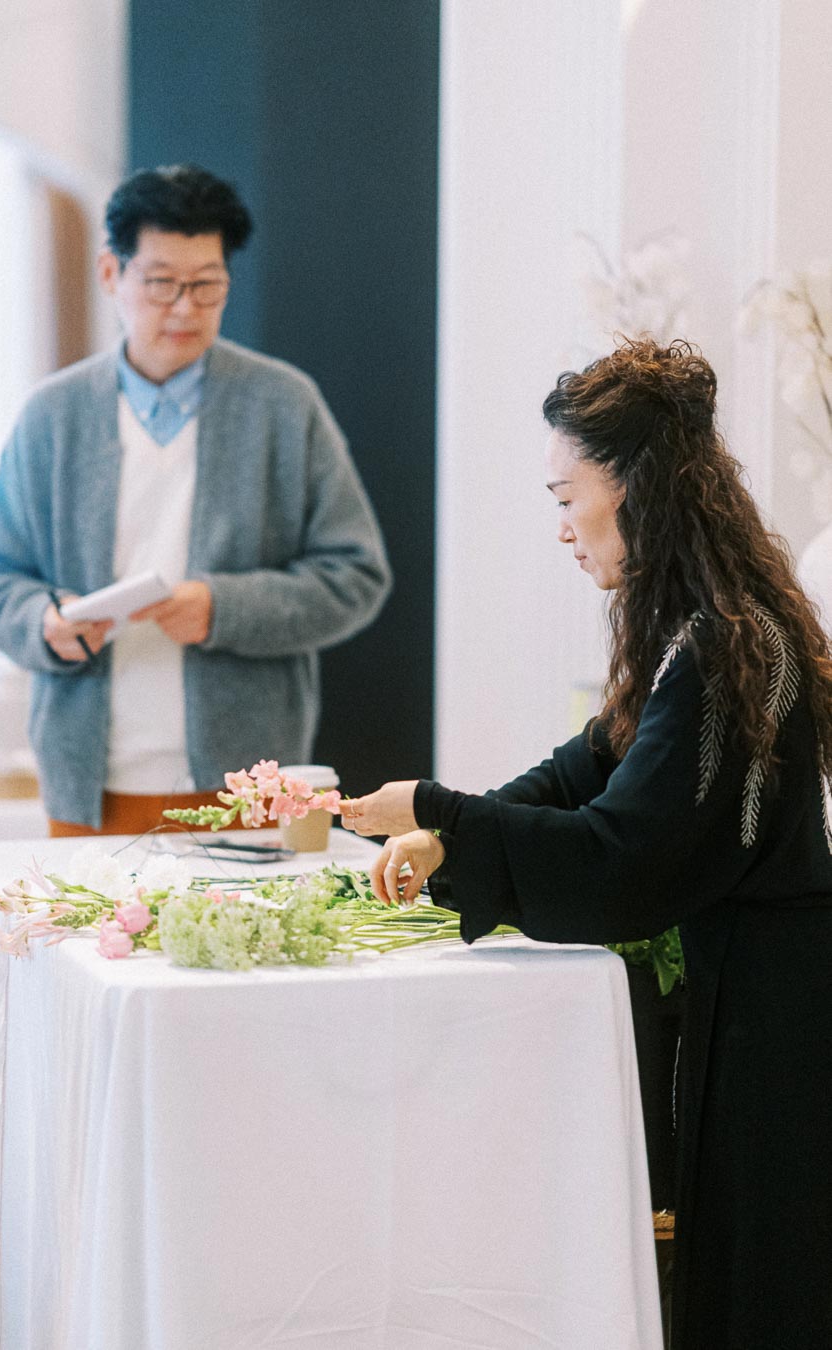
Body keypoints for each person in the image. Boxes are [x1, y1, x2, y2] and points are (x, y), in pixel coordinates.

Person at [340, 337, 832, 1349]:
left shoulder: (729, 646)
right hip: (753, 1005)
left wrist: (439, 812)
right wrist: (443, 833)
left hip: (777, 1027)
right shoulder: (698, 630)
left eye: (569, 496)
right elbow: (585, 770)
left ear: (640, 489)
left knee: (766, 1292)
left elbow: (622, 861)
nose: (561, 527)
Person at [0, 163, 391, 835]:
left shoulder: (283, 405)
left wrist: (222, 607)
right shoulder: (52, 415)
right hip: (89, 784)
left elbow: (356, 577)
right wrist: (45, 622)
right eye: (161, 284)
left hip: (249, 788)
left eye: (207, 286)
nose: (186, 308)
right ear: (113, 275)